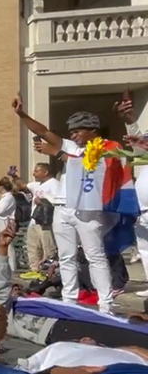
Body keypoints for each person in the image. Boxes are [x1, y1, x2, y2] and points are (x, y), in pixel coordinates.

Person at [14, 93, 116, 314]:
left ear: (92, 130)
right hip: (63, 207)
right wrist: (22, 114)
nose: (74, 135)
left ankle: (106, 303)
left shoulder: (104, 148)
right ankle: (70, 299)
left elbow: (90, 167)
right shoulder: (70, 147)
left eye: (78, 130)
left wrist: (58, 154)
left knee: (94, 255)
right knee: (66, 256)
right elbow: (42, 132)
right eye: (71, 132)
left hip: (87, 210)